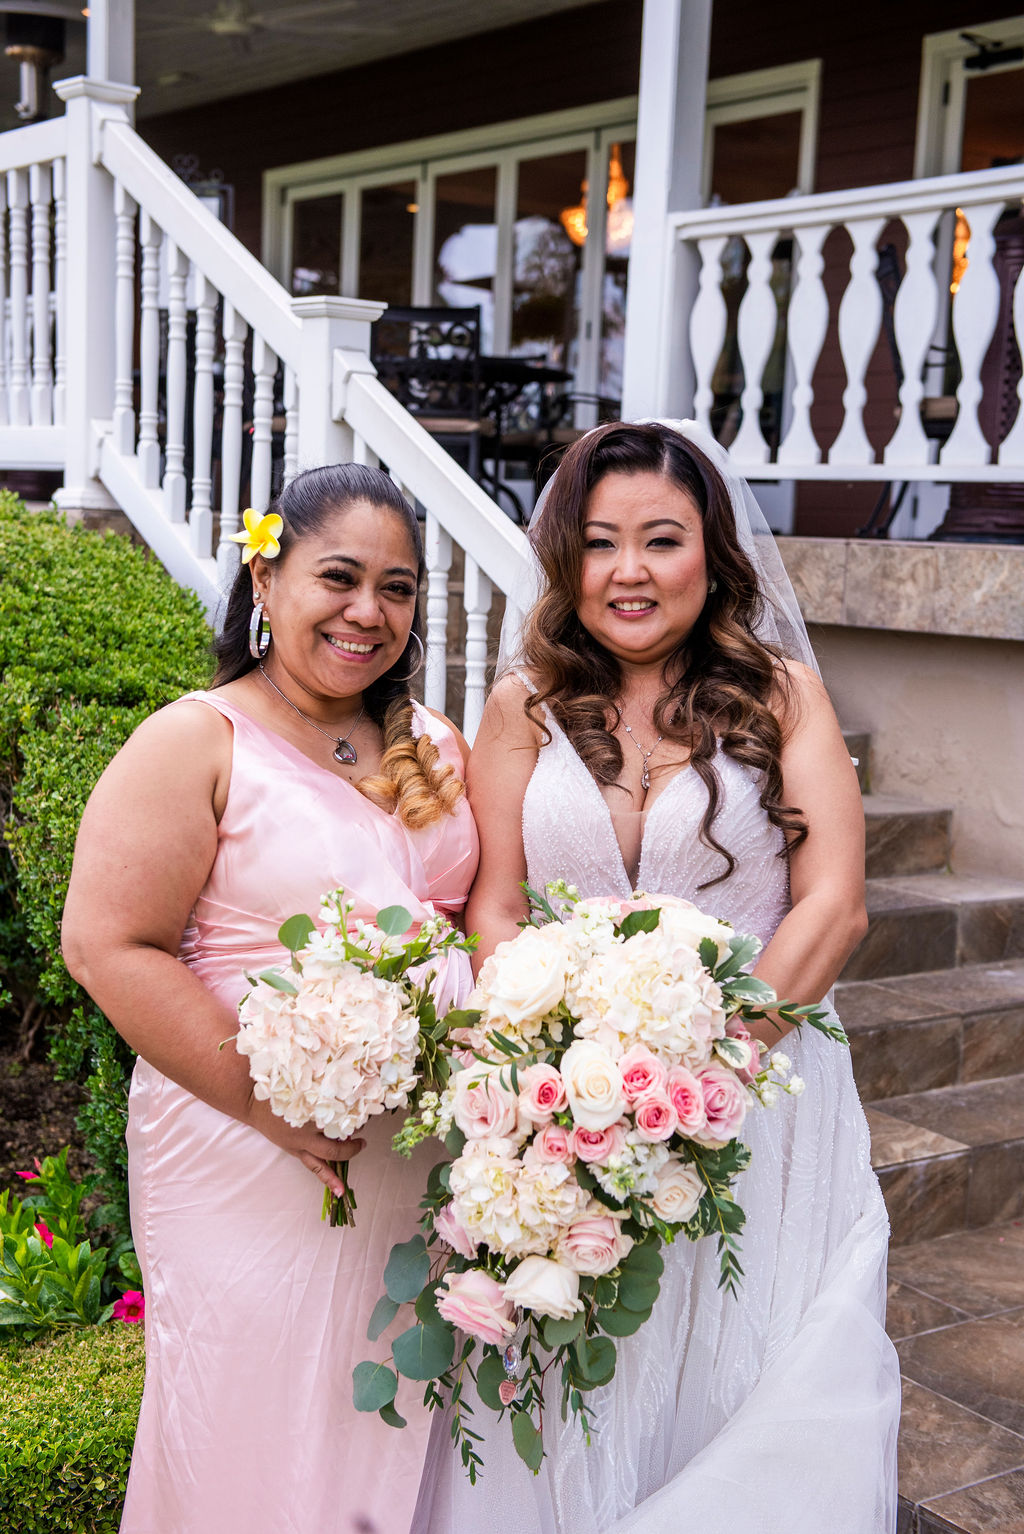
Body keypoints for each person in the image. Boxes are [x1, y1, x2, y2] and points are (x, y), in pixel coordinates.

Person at [412, 421, 900, 1533]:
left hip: (756, 1098)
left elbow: (834, 904)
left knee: (736, 1356)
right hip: (567, 1104)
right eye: (599, 543)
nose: (627, 571)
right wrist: (536, 1066)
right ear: (566, 560)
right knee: (583, 1360)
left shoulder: (781, 695)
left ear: (712, 556)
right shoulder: (524, 703)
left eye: (661, 540)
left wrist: (705, 1076)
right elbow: (495, 904)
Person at [62, 464, 479, 1534]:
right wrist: (268, 1104)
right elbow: (107, 946)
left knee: (398, 1428)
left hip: (418, 1158)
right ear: (266, 576)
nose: (367, 611)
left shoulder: (432, 744)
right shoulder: (197, 739)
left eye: (396, 588)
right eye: (339, 577)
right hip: (244, 1146)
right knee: (251, 1426)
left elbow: (482, 918)